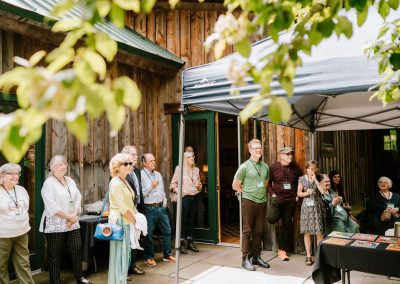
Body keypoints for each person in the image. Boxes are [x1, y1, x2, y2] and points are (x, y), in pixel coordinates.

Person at [39, 155, 90, 284]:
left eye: (64, 164)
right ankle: (55, 281)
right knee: (55, 254)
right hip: (55, 223)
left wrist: (74, 215)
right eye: (58, 165)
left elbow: (78, 198)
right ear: (52, 168)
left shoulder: (70, 180)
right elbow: (51, 206)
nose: (62, 166)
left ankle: (80, 278)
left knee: (76, 249)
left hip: (72, 221)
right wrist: (69, 217)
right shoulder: (49, 183)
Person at [232, 138, 270, 271]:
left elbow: (265, 183)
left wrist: (259, 192)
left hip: (262, 202)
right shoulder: (244, 166)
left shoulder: (265, 166)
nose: (259, 150)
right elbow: (235, 185)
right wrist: (247, 193)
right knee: (248, 230)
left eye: (260, 148)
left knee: (259, 231)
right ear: (250, 150)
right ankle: (244, 259)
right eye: (255, 148)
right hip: (248, 201)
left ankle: (256, 256)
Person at [0, 163, 35, 284]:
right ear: (2, 175)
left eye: (17, 173)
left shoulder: (22, 190)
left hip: (22, 233)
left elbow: (26, 209)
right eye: (11, 173)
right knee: (1, 266)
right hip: (3, 236)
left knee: (24, 264)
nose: (15, 176)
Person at [267, 146, 302, 261]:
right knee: (271, 219)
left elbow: (300, 183)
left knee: (287, 225)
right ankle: (280, 213)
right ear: (281, 155)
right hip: (277, 200)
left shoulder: (295, 169)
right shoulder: (274, 167)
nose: (290, 156)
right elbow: (268, 183)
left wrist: (297, 195)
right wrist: (272, 194)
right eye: (287, 154)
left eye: (291, 154)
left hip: (290, 202)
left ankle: (282, 250)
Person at [108, 153, 137, 284]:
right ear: (117, 167)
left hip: (126, 219)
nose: (128, 166)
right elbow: (122, 206)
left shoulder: (124, 181)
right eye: (125, 164)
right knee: (119, 255)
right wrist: (134, 219)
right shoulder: (115, 182)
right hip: (119, 221)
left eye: (130, 163)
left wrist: (136, 217)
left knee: (125, 254)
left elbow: (130, 203)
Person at [141, 153, 175, 266]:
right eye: (151, 161)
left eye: (154, 160)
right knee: (149, 234)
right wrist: (151, 186)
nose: (154, 162)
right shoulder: (141, 175)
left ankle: (167, 254)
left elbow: (162, 190)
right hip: (150, 208)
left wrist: (164, 201)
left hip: (161, 207)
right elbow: (142, 194)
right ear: (144, 163)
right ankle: (149, 257)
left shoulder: (158, 174)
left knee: (167, 231)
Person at [169, 151, 202, 254]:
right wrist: (181, 192)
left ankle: (190, 242)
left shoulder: (196, 170)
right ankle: (182, 243)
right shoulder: (179, 169)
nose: (192, 158)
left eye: (193, 156)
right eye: (189, 157)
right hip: (185, 198)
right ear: (185, 159)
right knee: (183, 221)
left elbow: (199, 186)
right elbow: (172, 184)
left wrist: (199, 186)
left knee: (191, 221)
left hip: (194, 197)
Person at [121, 145, 146, 276]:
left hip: (137, 209)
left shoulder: (136, 171)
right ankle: (124, 270)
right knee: (127, 242)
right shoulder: (120, 173)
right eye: (133, 155)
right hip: (127, 212)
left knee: (135, 240)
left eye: (136, 155)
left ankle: (132, 266)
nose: (136, 157)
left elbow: (139, 191)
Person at [297, 160, 325, 266]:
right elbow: (298, 193)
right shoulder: (302, 179)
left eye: (312, 169)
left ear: (316, 169)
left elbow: (323, 192)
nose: (310, 170)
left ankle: (319, 255)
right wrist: (306, 193)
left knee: (319, 232)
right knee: (307, 231)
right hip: (307, 207)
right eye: (308, 168)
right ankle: (308, 255)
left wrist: (315, 180)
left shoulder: (320, 178)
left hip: (317, 206)